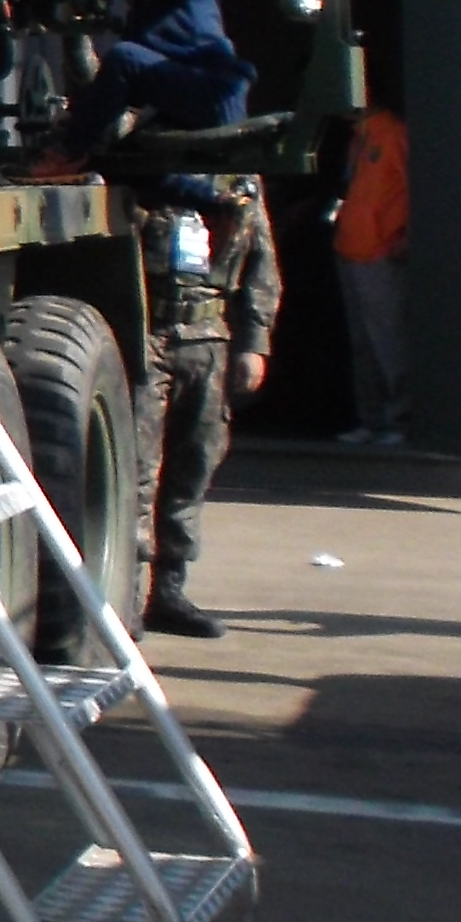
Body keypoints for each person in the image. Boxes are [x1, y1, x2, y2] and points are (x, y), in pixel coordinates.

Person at [132, 171, 278, 640]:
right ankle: (127, 592)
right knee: (138, 469)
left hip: (209, 338)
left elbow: (261, 266)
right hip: (147, 335)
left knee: (193, 467)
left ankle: (169, 591)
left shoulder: (238, 180)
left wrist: (255, 344)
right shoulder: (142, 163)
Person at [51, 0, 254, 166]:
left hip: (214, 89)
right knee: (131, 158)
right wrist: (82, 115)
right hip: (194, 97)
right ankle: (219, 203)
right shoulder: (149, 11)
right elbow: (129, 87)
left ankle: (68, 154)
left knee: (123, 57)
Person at [329, 101, 412, 447]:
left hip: (380, 251)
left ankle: (401, 420)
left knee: (388, 339)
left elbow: (416, 186)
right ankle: (373, 418)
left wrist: (404, 236)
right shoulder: (358, 137)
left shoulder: (392, 133)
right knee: (363, 343)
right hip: (350, 247)